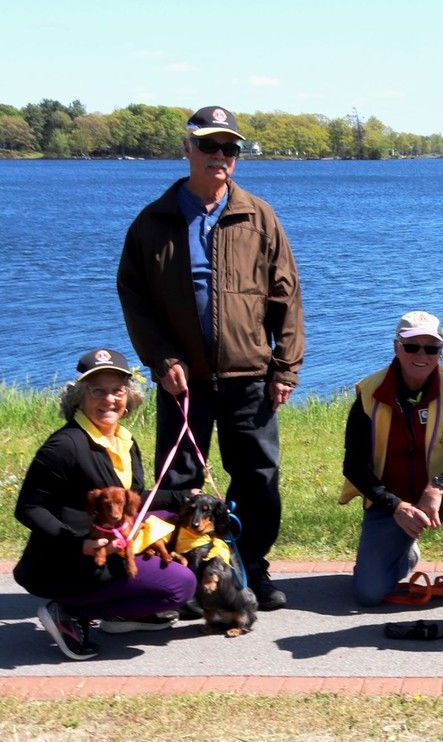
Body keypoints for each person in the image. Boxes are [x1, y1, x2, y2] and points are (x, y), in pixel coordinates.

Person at [117, 105, 304, 611]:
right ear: (188, 148)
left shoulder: (259, 217)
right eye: (209, 145)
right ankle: (182, 576)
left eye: (229, 148)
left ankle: (250, 568)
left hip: (250, 376)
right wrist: (161, 359)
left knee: (258, 480)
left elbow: (286, 296)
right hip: (183, 380)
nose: (220, 155)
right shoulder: (153, 221)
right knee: (177, 483)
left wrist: (285, 368)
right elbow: (134, 296)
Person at [14, 349, 198, 661]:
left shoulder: (123, 439)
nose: (109, 399)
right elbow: (29, 508)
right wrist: (80, 544)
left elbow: (134, 496)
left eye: (117, 391)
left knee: (177, 520)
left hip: (109, 541)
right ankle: (71, 610)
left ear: (129, 397)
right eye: (97, 391)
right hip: (68, 561)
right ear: (79, 397)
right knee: (180, 585)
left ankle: (122, 613)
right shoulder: (64, 446)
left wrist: (185, 498)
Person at [340, 311, 443, 606]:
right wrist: (396, 506)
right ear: (396, 347)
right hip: (390, 502)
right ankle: (405, 553)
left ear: (440, 351)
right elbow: (353, 466)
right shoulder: (369, 393)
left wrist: (438, 486)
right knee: (369, 593)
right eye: (412, 347)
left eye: (431, 348)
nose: (422, 356)